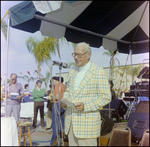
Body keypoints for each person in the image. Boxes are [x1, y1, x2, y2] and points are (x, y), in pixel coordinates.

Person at [61, 42, 111, 146]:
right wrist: (65, 101)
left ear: (88, 54)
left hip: (87, 127)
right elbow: (68, 91)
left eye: (79, 54)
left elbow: (105, 97)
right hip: (71, 124)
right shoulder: (72, 71)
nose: (75, 57)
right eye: (74, 54)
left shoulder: (98, 71)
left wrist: (85, 106)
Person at [50, 76, 66, 146]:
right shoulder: (63, 86)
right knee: (61, 124)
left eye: (52, 81)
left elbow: (57, 97)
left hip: (57, 104)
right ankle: (62, 140)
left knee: (55, 124)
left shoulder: (57, 86)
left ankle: (53, 142)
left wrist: (50, 97)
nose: (52, 82)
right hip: (63, 104)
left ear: (55, 80)